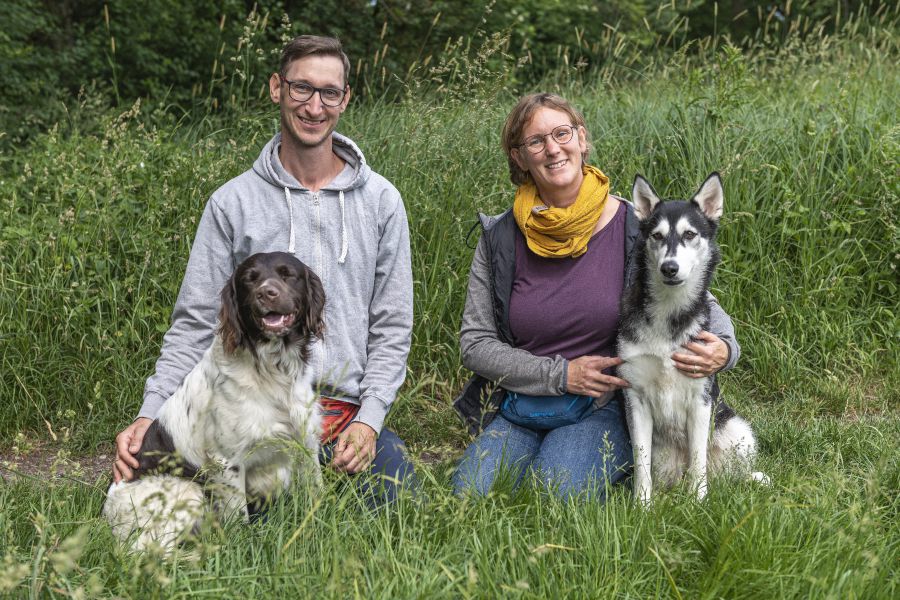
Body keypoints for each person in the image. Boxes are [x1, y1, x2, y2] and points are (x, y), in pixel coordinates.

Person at [113, 35, 416, 505]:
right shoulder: (232, 203)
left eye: (329, 92)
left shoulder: (382, 201)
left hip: (342, 416)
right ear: (277, 88)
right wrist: (148, 416)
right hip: (249, 416)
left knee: (400, 505)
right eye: (301, 88)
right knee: (254, 530)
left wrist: (370, 420)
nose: (314, 106)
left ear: (345, 99)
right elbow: (195, 322)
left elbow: (392, 325)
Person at [452, 93, 739, 499]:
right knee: (469, 495)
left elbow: (699, 298)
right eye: (536, 141)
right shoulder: (500, 238)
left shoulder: (633, 226)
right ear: (519, 158)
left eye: (562, 133)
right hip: (523, 404)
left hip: (602, 407)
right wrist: (559, 375)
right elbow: (475, 344)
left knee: (557, 493)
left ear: (582, 140)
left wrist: (725, 349)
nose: (553, 148)